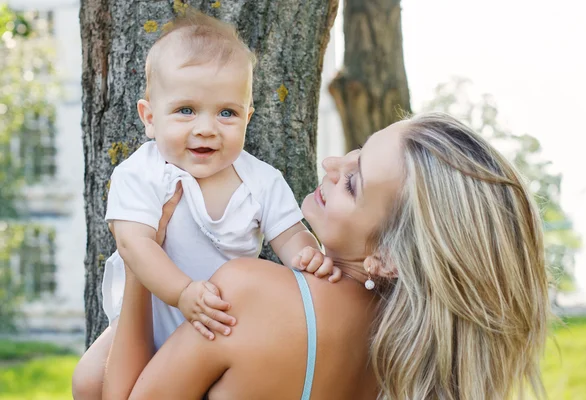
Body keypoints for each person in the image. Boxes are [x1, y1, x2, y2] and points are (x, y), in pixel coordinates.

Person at [103, 113, 551, 399]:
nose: (332, 164)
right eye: (358, 150)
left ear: (388, 256)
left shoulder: (249, 294)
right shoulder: (409, 357)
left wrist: (145, 257)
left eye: (353, 183)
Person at [72, 11, 339, 399]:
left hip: (217, 324)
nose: (206, 128)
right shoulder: (142, 172)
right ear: (149, 118)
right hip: (153, 314)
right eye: (186, 110)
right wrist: (181, 293)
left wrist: (306, 254)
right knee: (87, 382)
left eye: (226, 113)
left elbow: (291, 234)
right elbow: (134, 244)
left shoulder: (261, 181)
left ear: (248, 117)